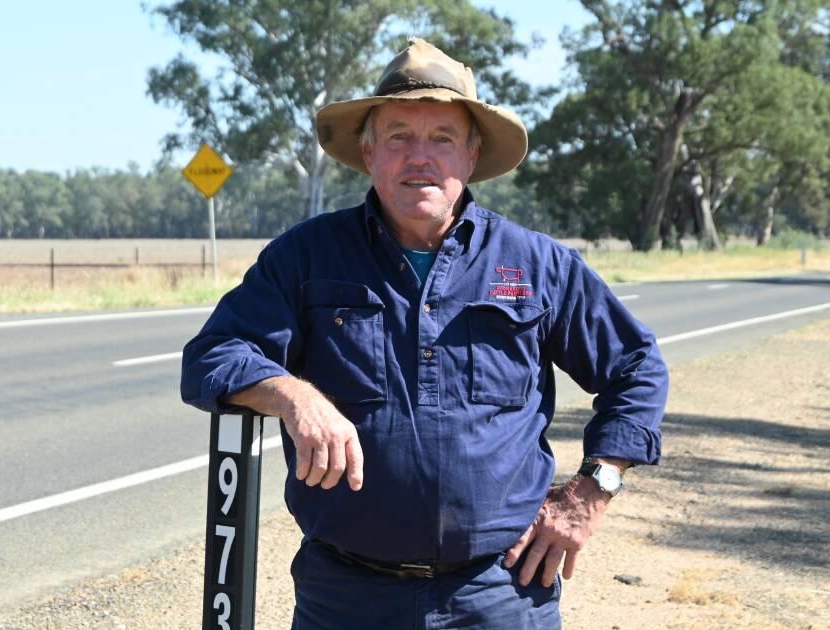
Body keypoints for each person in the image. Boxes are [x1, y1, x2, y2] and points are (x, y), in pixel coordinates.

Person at [181, 38, 667, 629]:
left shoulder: (538, 265)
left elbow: (636, 367)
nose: (420, 156)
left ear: (471, 154)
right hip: (346, 595)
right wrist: (295, 395)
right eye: (399, 136)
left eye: (442, 137)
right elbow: (213, 356)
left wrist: (591, 492)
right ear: (368, 152)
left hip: (501, 593)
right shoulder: (306, 257)